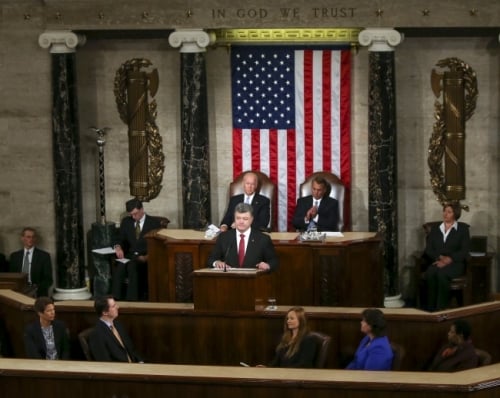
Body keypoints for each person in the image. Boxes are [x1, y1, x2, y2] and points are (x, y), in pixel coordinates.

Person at [112, 198, 162, 301]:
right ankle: (115, 299)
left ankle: (132, 301)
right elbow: (119, 238)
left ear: (142, 209)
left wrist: (147, 257)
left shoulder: (154, 223)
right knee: (120, 266)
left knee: (132, 267)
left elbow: (157, 246)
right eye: (131, 214)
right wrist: (118, 247)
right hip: (129, 255)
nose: (133, 217)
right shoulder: (126, 222)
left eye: (135, 214)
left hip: (144, 256)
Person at [423, 203, 470, 311]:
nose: (445, 214)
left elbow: (464, 250)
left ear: (455, 214)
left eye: (449, 212)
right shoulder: (435, 229)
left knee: (441, 274)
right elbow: (428, 249)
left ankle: (441, 309)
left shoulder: (463, 229)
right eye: (444, 211)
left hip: (455, 263)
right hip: (438, 261)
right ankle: (430, 309)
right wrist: (439, 258)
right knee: (430, 272)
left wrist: (450, 259)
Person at [207, 202, 278, 271]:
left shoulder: (263, 239)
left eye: (245, 219)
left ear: (251, 219)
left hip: (254, 280)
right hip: (229, 279)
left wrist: (267, 265)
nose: (241, 222)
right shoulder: (224, 237)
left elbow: (274, 261)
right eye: (238, 218)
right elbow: (211, 259)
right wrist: (216, 263)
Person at [88, 295, 143, 363]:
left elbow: (131, 349)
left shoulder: (118, 324)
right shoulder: (97, 334)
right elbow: (105, 362)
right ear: (105, 312)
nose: (118, 307)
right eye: (113, 306)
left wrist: (140, 361)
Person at [9, 227, 53, 297]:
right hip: (18, 291)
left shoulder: (44, 256)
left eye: (33, 237)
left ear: (35, 239)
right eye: (28, 237)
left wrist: (36, 288)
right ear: (22, 238)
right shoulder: (14, 256)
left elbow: (48, 279)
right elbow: (11, 277)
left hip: (37, 292)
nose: (31, 239)